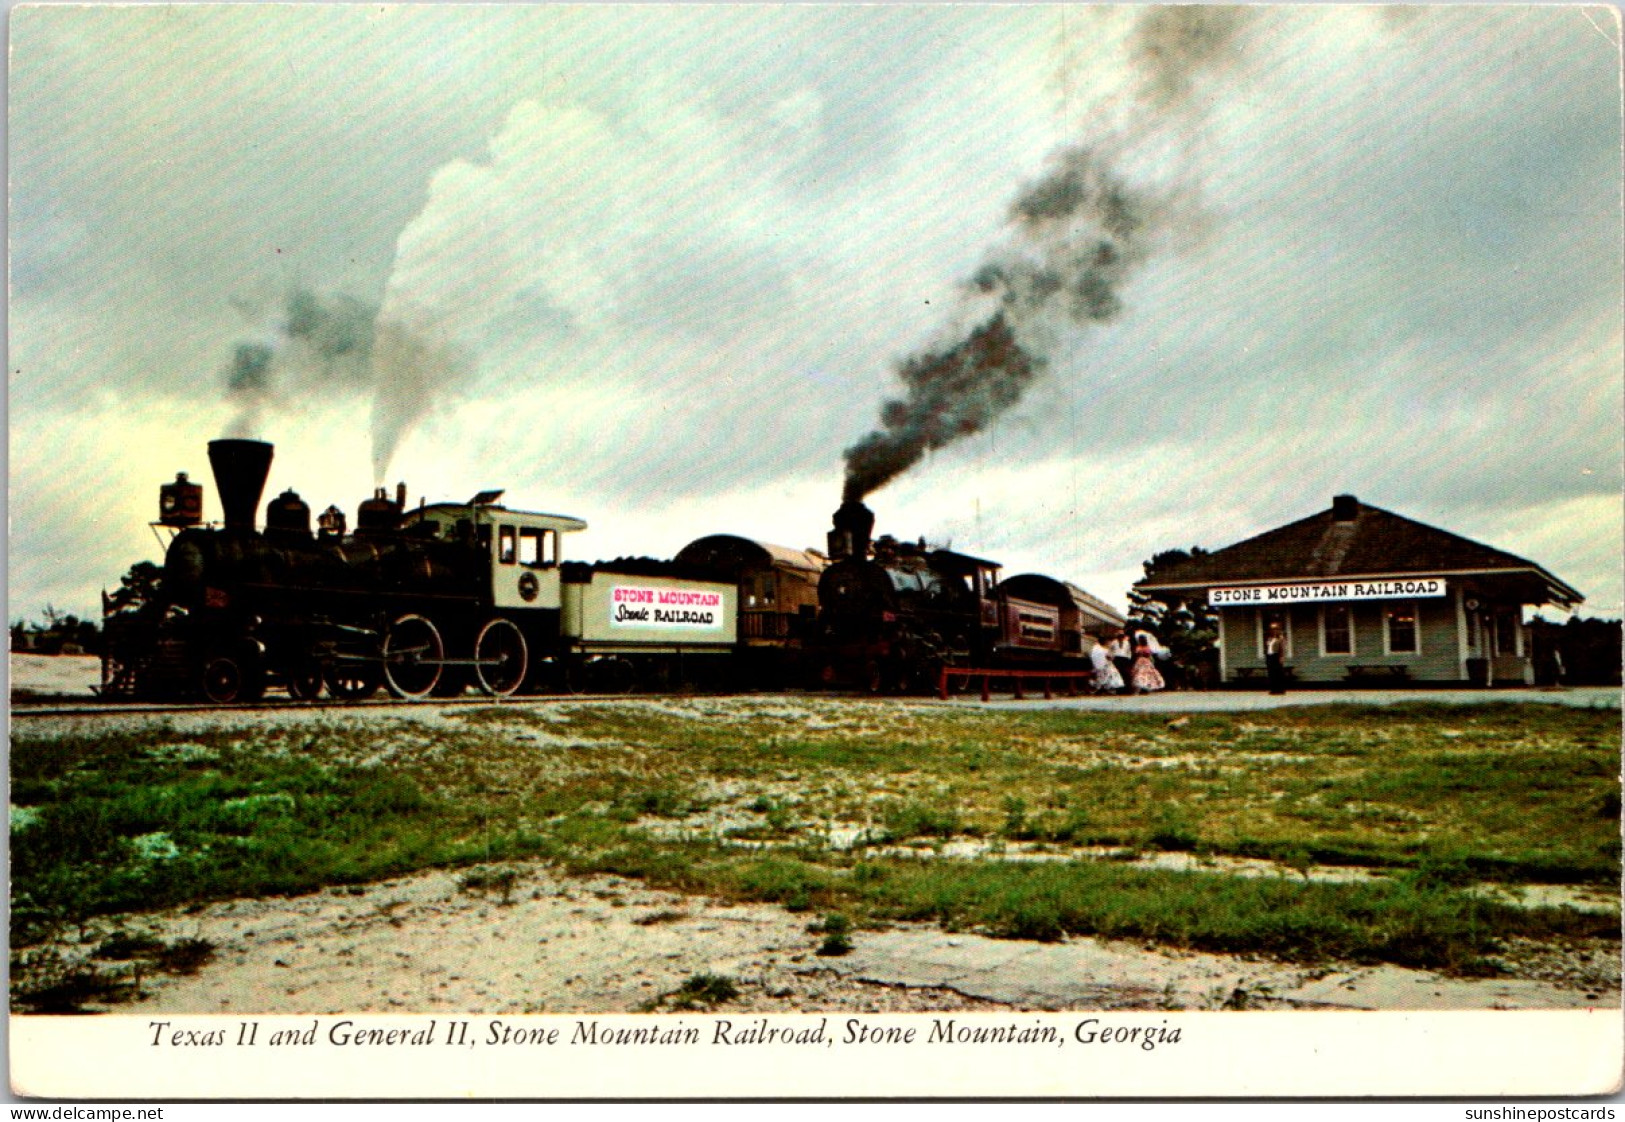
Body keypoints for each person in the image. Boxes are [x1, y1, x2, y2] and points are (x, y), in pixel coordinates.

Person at [1265, 622, 1289, 695]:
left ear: (1278, 629)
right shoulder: (1269, 638)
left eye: (1275, 629)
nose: (1274, 630)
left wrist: (1281, 657)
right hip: (1270, 656)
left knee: (1278, 673)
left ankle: (1280, 689)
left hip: (1276, 656)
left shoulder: (1280, 638)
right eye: (1272, 629)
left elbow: (1282, 648)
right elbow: (1268, 648)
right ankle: (1273, 689)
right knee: (1271, 673)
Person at [1107, 630, 1134, 694]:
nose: (1121, 637)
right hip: (1117, 659)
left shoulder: (1127, 642)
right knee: (1118, 674)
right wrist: (1110, 656)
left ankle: (1126, 690)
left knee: (1125, 674)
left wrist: (1129, 658)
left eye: (1122, 636)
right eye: (1119, 636)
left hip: (1124, 659)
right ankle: (1119, 690)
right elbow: (1110, 650)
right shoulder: (1114, 642)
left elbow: (1129, 651)